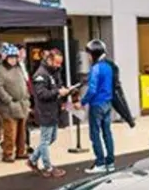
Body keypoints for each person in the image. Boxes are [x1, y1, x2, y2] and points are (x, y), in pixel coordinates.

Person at [29, 49, 77, 178]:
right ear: (49, 60)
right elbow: (41, 94)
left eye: (60, 63)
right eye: (56, 62)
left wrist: (66, 91)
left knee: (52, 138)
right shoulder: (40, 74)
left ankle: (32, 160)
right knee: (45, 140)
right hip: (45, 111)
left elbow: (57, 86)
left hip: (53, 110)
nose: (58, 65)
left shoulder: (54, 72)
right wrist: (58, 92)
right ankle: (48, 167)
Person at [81, 38, 116, 174]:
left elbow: (92, 90)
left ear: (94, 54)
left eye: (89, 54)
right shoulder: (108, 67)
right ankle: (110, 162)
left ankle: (100, 162)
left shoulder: (95, 68)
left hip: (96, 105)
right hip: (107, 103)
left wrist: (82, 102)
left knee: (95, 134)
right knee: (107, 133)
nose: (88, 57)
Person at [0, 43, 31, 162]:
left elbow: (24, 84)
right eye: (11, 57)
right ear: (5, 58)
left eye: (15, 57)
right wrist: (8, 100)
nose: (13, 60)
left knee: (21, 131)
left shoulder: (18, 68)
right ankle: (8, 153)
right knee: (10, 131)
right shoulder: (0, 70)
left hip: (22, 104)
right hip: (9, 106)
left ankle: (21, 151)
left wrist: (27, 97)